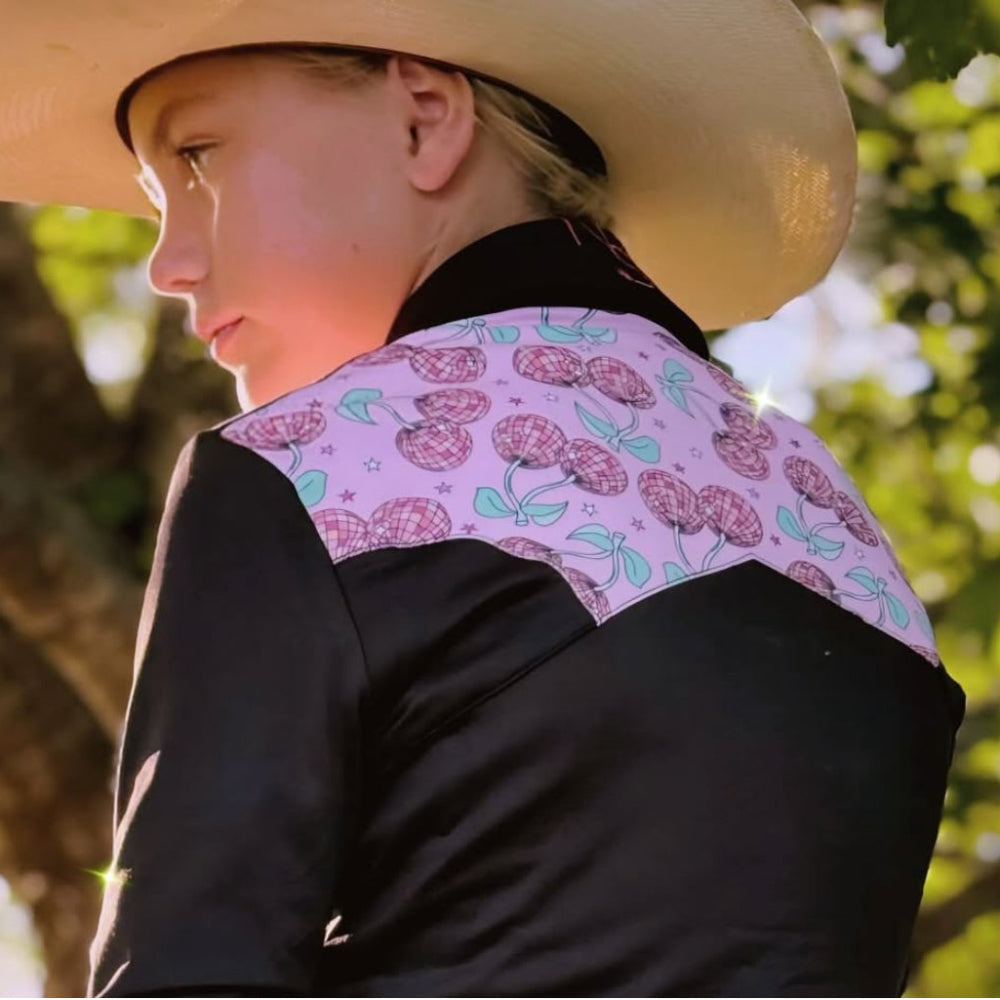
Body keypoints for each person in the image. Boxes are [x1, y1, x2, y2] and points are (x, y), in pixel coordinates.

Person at [0, 2, 965, 996]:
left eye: (197, 156)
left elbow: (187, 975)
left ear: (424, 117)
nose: (165, 264)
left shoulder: (306, 468)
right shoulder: (845, 539)